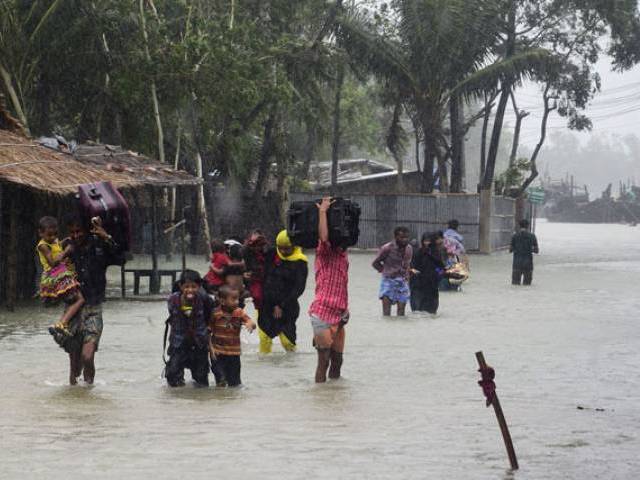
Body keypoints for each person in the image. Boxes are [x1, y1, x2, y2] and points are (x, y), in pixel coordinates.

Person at [65, 215, 124, 385]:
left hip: (94, 309)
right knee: (74, 368)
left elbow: (121, 258)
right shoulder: (67, 248)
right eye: (72, 232)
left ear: (88, 231)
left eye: (79, 232)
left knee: (88, 356)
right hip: (72, 310)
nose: (76, 236)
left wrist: (106, 236)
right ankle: (77, 404)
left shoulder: (100, 247)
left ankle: (89, 391)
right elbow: (51, 266)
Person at [309, 197, 350, 383]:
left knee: (338, 361)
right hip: (322, 313)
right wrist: (323, 212)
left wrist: (346, 309)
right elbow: (324, 237)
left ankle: (333, 396)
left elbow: (344, 284)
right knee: (323, 361)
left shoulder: (343, 255)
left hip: (340, 313)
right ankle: (320, 396)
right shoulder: (324, 252)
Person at [258, 230, 308, 354]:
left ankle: (292, 367)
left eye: (287, 249)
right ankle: (264, 367)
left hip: (287, 307)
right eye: (281, 248)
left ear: (294, 246)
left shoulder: (300, 263)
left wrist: (281, 305)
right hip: (266, 305)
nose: (284, 252)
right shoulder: (272, 254)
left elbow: (298, 288)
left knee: (287, 342)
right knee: (264, 339)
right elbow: (257, 265)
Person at [165, 270, 214, 387]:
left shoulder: (204, 299)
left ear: (199, 286)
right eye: (186, 286)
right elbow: (172, 317)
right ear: (180, 286)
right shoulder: (172, 300)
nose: (190, 290)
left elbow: (210, 315)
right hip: (178, 343)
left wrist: (208, 330)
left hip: (199, 343)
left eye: (194, 287)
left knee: (201, 378)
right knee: (173, 375)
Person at [36, 216, 84, 336]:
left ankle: (65, 324)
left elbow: (56, 246)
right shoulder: (42, 245)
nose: (53, 237)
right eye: (49, 235)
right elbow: (52, 262)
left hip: (62, 273)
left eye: (55, 234)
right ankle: (62, 323)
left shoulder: (53, 241)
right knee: (80, 299)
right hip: (56, 275)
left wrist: (64, 241)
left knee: (73, 298)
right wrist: (66, 251)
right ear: (40, 233)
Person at [209, 285, 256, 387]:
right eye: (233, 299)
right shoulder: (215, 314)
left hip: (234, 353)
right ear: (222, 301)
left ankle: (233, 400)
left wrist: (250, 324)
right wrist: (211, 350)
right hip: (218, 353)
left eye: (237, 299)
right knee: (221, 380)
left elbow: (251, 322)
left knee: (235, 383)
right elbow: (208, 332)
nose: (237, 302)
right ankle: (221, 399)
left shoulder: (239, 312)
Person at [372, 226, 413, 316]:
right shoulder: (387, 248)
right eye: (402, 237)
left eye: (406, 237)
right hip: (388, 281)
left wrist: (408, 279)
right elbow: (375, 263)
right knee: (386, 314)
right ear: (395, 237)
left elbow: (407, 264)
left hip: (402, 281)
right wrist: (385, 271)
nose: (405, 240)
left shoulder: (409, 249)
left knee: (401, 313)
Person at [410, 232, 447, 314]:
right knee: (417, 310)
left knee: (431, 310)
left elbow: (439, 267)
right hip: (418, 284)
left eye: (429, 241)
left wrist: (440, 273)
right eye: (425, 241)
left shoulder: (436, 253)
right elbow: (413, 267)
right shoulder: (418, 253)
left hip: (431, 285)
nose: (427, 243)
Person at [243, 230, 268, 313]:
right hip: (254, 279)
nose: (257, 248)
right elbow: (243, 266)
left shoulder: (267, 251)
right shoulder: (246, 251)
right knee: (257, 297)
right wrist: (244, 274)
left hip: (265, 278)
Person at [510, 219, 539, 286]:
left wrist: (517, 249)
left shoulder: (515, 236)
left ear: (519, 226)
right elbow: (536, 251)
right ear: (528, 226)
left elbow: (511, 249)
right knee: (527, 285)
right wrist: (529, 249)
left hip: (517, 263)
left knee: (515, 286)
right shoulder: (532, 236)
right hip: (528, 263)